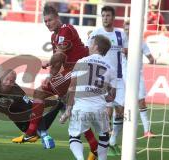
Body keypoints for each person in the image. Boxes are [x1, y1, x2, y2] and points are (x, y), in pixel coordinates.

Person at [18, 4, 100, 155]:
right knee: (74, 110)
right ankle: (94, 147)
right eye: (45, 22)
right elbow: (58, 63)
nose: (47, 24)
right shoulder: (54, 36)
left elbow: (59, 55)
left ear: (57, 18)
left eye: (50, 20)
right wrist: (50, 77)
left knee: (39, 93)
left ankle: (31, 132)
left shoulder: (66, 29)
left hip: (80, 69)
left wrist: (48, 62)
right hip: (74, 71)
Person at [60, 35, 116, 160]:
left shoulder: (81, 62)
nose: (89, 46)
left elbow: (72, 87)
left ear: (96, 46)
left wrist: (68, 110)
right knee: (104, 135)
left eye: (91, 44)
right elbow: (112, 96)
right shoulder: (111, 67)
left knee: (74, 136)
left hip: (81, 107)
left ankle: (80, 159)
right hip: (99, 108)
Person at [87, 6, 128, 157]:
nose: (105, 18)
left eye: (108, 15)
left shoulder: (121, 34)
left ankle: (112, 141)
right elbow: (88, 51)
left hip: (119, 78)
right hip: (104, 79)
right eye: (103, 15)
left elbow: (126, 52)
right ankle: (103, 146)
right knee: (107, 113)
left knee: (122, 112)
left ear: (113, 17)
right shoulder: (96, 33)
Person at [122, 20, 156, 137]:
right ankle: (111, 131)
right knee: (119, 105)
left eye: (129, 29)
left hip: (138, 76)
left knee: (141, 102)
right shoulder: (120, 41)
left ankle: (147, 130)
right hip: (123, 77)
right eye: (125, 29)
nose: (127, 31)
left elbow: (150, 57)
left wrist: (152, 60)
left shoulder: (140, 42)